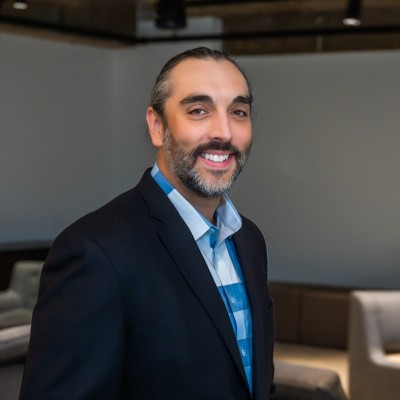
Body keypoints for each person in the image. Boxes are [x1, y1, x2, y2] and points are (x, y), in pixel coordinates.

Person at [19, 47, 275, 400]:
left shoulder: (249, 240)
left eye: (238, 112)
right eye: (198, 111)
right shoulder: (95, 252)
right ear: (157, 126)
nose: (224, 131)